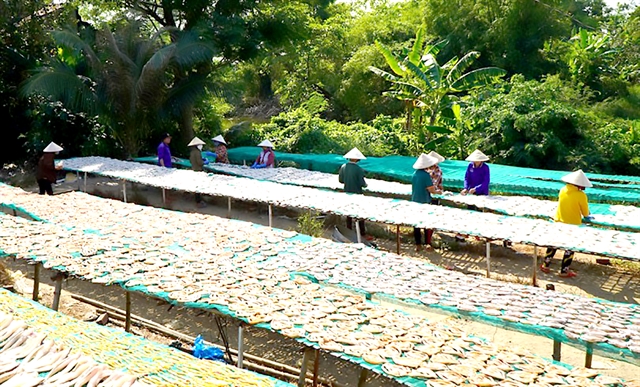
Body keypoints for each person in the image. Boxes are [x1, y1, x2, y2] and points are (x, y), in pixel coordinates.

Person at [540, 170, 592, 278]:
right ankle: (564, 270)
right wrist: (588, 215)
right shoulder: (581, 195)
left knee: (553, 244)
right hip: (572, 224)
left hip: (559, 221)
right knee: (569, 247)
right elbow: (585, 213)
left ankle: (545, 265)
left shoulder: (563, 190)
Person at [412, 154, 442, 251]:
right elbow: (431, 189)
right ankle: (427, 244)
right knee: (425, 222)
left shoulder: (415, 174)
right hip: (424, 200)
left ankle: (418, 244)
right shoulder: (426, 176)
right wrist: (438, 192)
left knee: (416, 224)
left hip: (415, 200)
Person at [338, 147, 369, 238]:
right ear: (356, 159)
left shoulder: (343, 167)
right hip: (357, 193)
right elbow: (362, 184)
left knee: (349, 213)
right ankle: (361, 232)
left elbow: (341, 180)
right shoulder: (359, 169)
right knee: (359, 213)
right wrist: (366, 184)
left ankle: (349, 231)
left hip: (347, 192)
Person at [188, 137, 207, 208]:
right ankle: (198, 201)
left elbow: (191, 161)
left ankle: (197, 199)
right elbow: (200, 162)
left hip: (193, 169)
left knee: (195, 185)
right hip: (198, 170)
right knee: (198, 186)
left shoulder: (192, 152)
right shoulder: (198, 152)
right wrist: (204, 162)